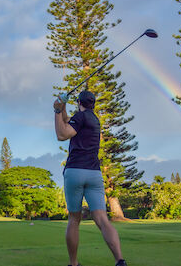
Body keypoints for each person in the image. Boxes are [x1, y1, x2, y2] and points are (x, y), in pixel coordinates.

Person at [54, 90, 127, 266]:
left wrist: (56, 111)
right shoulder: (93, 119)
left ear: (79, 102)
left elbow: (62, 134)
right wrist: (62, 107)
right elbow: (68, 122)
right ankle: (120, 260)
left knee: (74, 219)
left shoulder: (81, 118)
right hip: (94, 174)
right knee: (102, 219)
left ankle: (74, 264)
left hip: (75, 172)